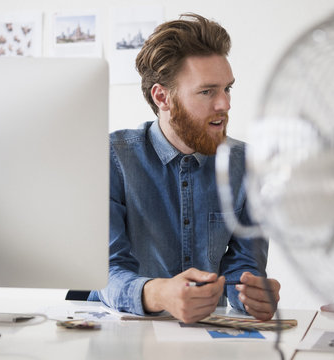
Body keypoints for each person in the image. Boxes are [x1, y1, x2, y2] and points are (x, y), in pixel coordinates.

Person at [88, 13, 280, 323]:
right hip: (121, 332)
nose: (224, 105)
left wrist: (252, 296)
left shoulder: (247, 166)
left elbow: (244, 268)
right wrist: (159, 293)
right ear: (162, 97)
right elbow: (105, 271)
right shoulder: (112, 158)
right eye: (207, 92)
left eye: (227, 89)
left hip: (205, 338)